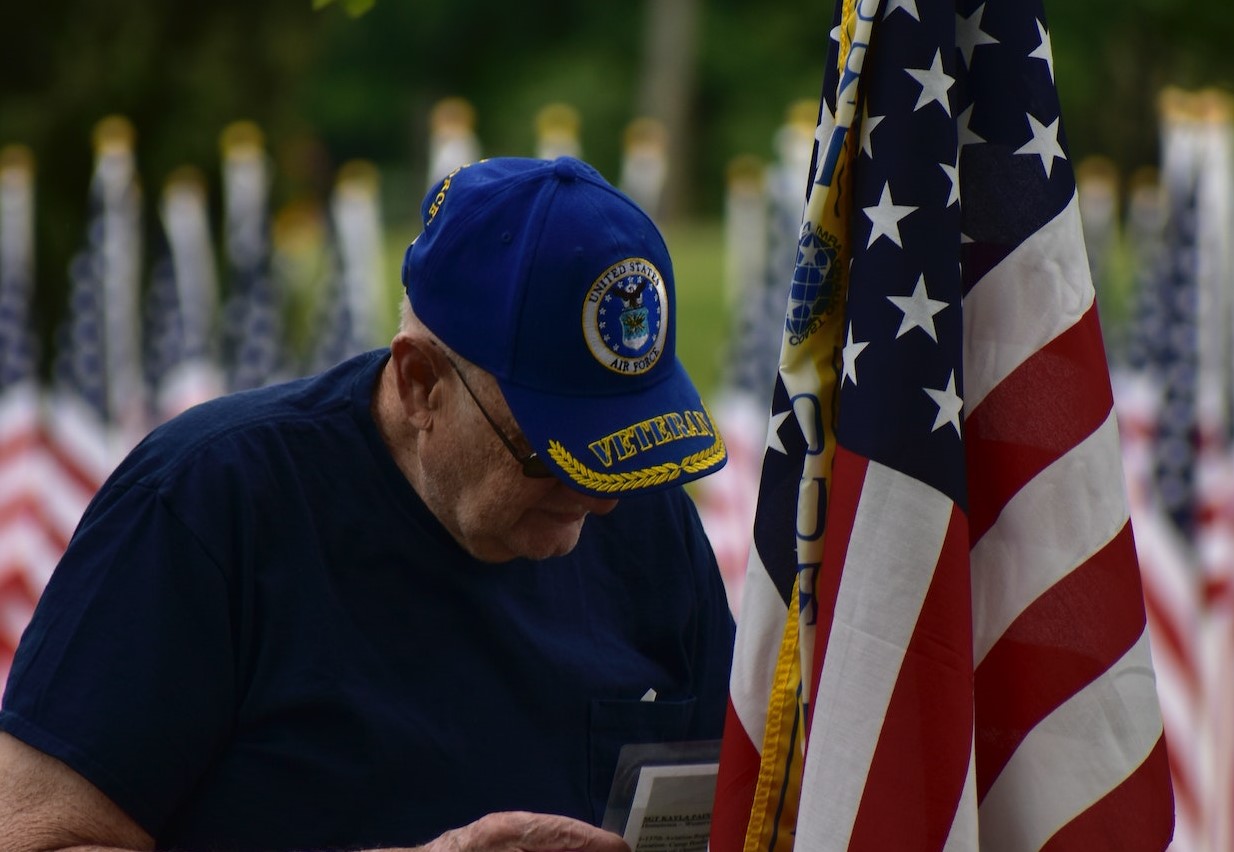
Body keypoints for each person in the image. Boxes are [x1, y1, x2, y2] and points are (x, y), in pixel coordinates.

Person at [0, 156, 734, 851]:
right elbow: (32, 836)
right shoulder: (207, 505)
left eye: (622, 451)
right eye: (551, 452)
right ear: (419, 383)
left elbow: (746, 806)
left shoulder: (647, 516)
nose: (599, 502)